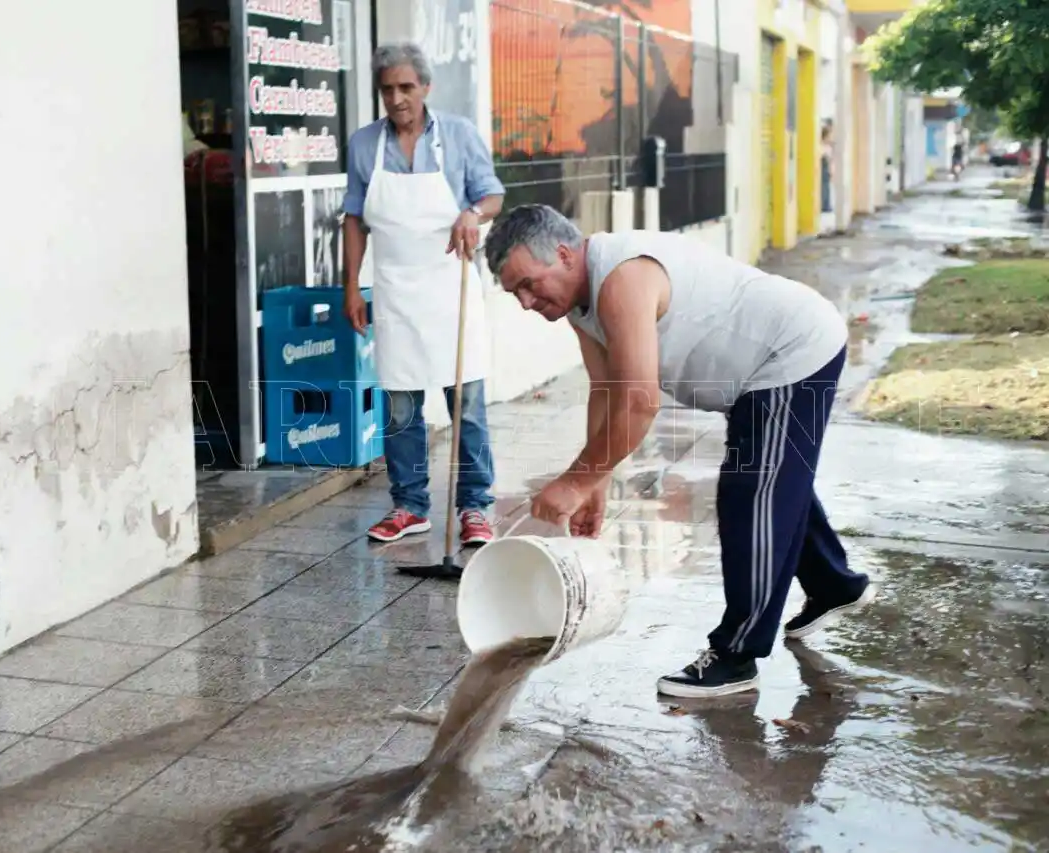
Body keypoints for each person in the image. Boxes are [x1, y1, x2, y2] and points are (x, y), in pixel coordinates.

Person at [482, 204, 878, 699]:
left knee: (751, 494)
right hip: (754, 375)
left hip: (790, 353)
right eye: (513, 292)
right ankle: (835, 586)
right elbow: (607, 391)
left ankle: (737, 656)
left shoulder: (623, 278)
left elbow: (640, 401)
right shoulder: (582, 305)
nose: (524, 302)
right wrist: (595, 480)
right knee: (778, 485)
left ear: (563, 254)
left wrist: (576, 481)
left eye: (527, 284)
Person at [342, 42, 506, 547]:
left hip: (451, 289)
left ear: (425, 87)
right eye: (387, 89)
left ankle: (475, 507)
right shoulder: (364, 144)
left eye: (406, 87)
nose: (396, 98)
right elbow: (354, 217)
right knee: (400, 408)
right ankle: (409, 505)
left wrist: (472, 214)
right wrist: (351, 285)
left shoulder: (457, 135)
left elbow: (493, 194)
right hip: (395, 290)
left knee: (467, 407)